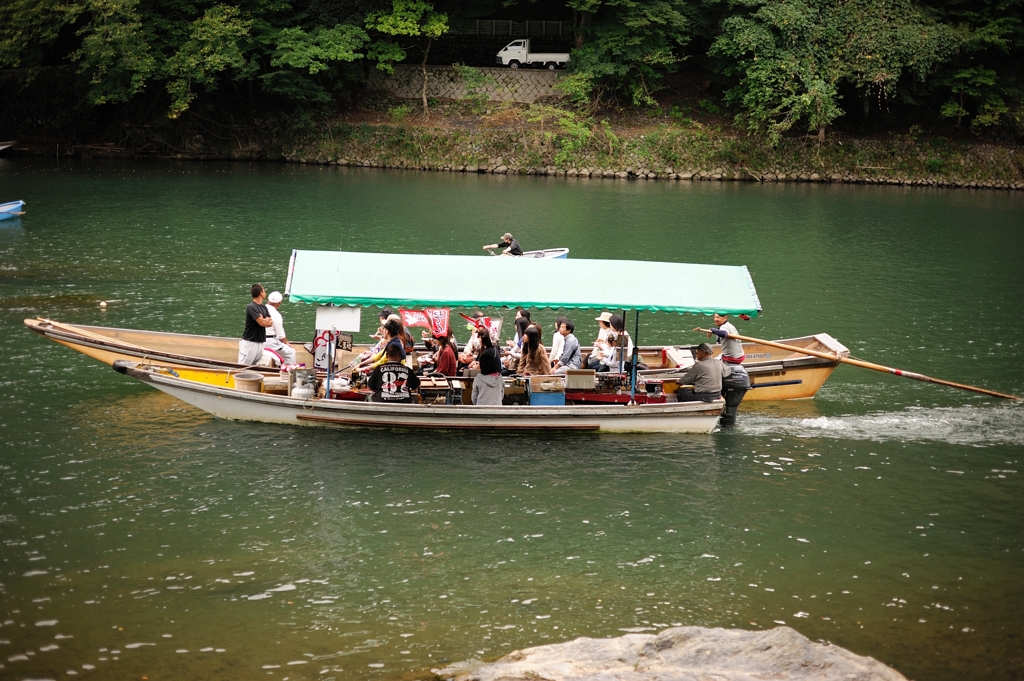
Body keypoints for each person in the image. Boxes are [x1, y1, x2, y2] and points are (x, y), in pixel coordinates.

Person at [238, 284, 274, 365]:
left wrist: (264, 320)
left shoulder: (264, 308)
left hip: (260, 341)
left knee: (255, 366)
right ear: (261, 293)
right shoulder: (251, 307)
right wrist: (265, 320)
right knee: (243, 366)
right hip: (250, 342)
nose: (265, 292)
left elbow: (271, 323)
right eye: (264, 290)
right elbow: (262, 323)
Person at [264, 291, 297, 365]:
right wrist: (286, 343)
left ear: (268, 300)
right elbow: (280, 335)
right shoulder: (276, 315)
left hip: (258, 340)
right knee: (291, 353)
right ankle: (288, 371)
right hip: (270, 342)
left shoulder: (259, 310)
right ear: (279, 303)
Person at [472, 339, 504, 406]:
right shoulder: (500, 377)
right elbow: (502, 395)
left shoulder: (478, 378)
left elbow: (474, 398)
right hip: (497, 409)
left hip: (481, 409)